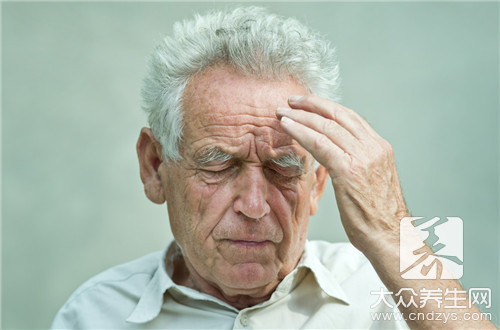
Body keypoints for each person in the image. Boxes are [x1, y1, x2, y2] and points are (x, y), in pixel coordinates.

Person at [51, 7, 494, 329]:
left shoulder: (390, 296)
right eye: (219, 165)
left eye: (283, 168)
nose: (255, 205)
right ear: (154, 166)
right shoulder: (96, 314)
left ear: (318, 182)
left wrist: (390, 232)